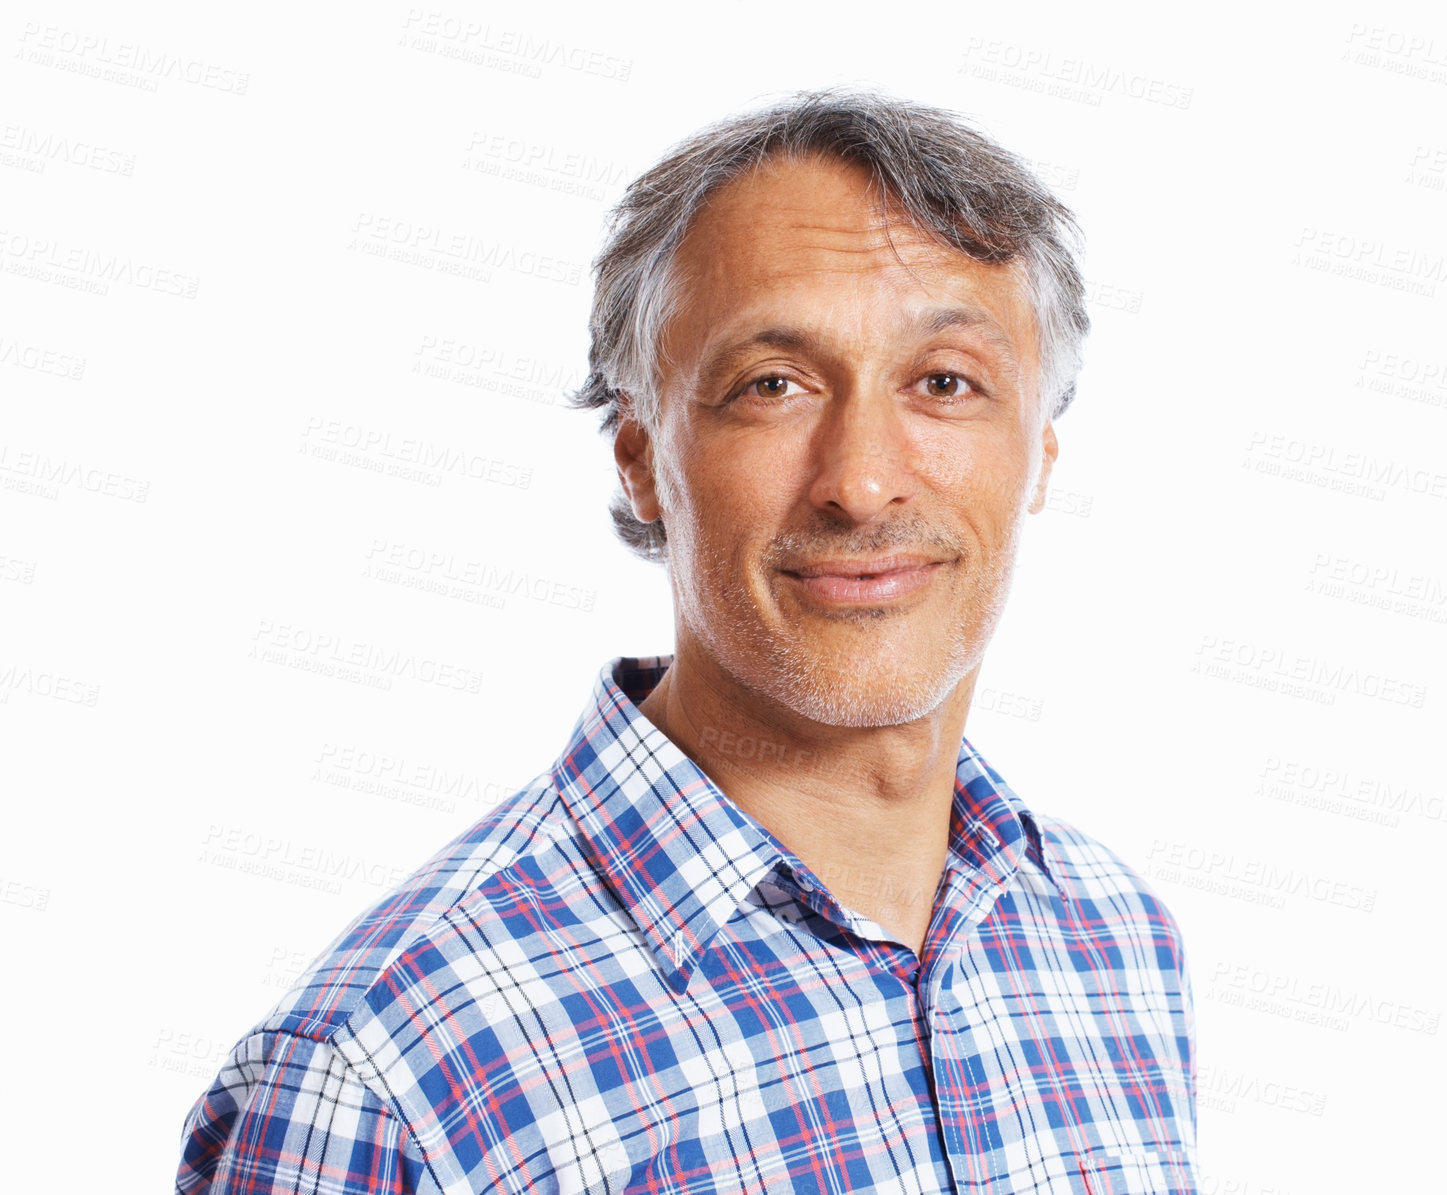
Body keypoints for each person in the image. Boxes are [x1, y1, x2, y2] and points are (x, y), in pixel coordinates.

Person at [177, 87, 1197, 1195]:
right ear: (638, 455)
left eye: (944, 383)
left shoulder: (1113, 942)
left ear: (1038, 450)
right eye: (773, 386)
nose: (860, 481)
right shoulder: (383, 1078)